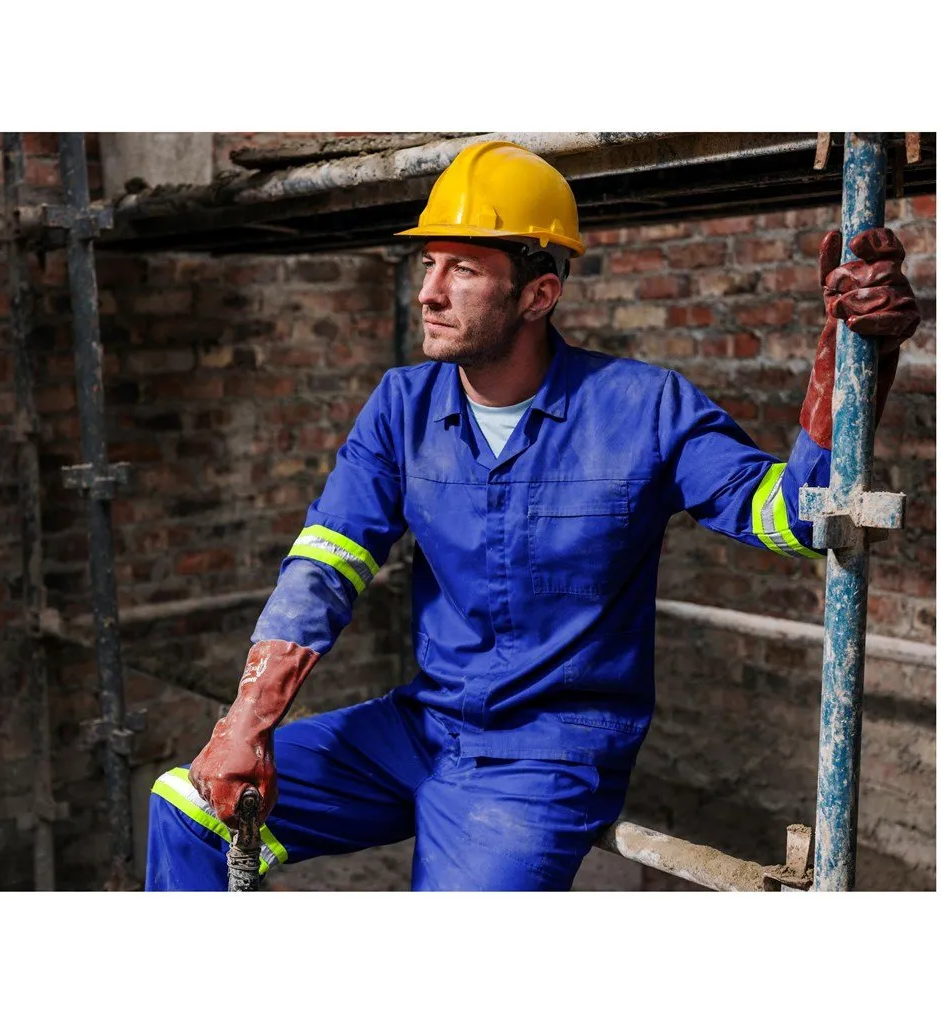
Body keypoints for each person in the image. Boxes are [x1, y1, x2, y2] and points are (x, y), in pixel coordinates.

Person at [145, 141, 921, 891]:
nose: (429, 292)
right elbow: (325, 564)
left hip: (547, 752)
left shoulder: (645, 408)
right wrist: (248, 720)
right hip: (426, 723)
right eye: (428, 263)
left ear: (538, 294)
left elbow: (792, 519)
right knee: (189, 808)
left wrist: (846, 375)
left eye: (462, 269)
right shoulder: (401, 407)